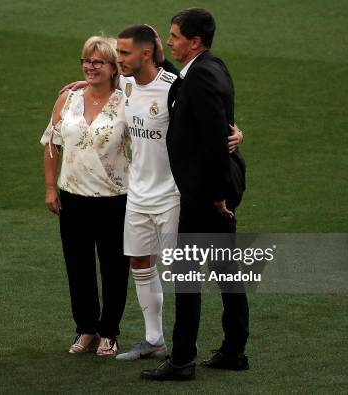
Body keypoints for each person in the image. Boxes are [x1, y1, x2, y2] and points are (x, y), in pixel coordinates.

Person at [113, 25, 244, 362]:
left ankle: (188, 350)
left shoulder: (176, 87)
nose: (118, 59)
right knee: (140, 262)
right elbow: (101, 72)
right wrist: (82, 86)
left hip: (174, 194)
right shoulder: (124, 82)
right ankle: (155, 340)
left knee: (186, 273)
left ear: (146, 53)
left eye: (125, 53)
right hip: (138, 193)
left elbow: (207, 126)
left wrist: (232, 137)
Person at [141, 8, 249, 381]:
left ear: (195, 41)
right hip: (212, 190)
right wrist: (160, 57)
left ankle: (182, 359)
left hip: (205, 195)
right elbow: (185, 85)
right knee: (226, 273)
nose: (170, 40)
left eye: (174, 36)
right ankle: (235, 350)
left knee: (187, 278)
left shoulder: (201, 78)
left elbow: (216, 139)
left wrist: (219, 194)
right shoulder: (210, 67)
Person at [40, 36, 130, 356]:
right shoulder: (67, 99)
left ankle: (109, 332)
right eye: (86, 62)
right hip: (73, 197)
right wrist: (51, 187)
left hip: (114, 198)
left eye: (98, 62)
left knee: (114, 268)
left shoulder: (126, 101)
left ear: (113, 68)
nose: (90, 67)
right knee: (77, 266)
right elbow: (51, 145)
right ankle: (87, 329)